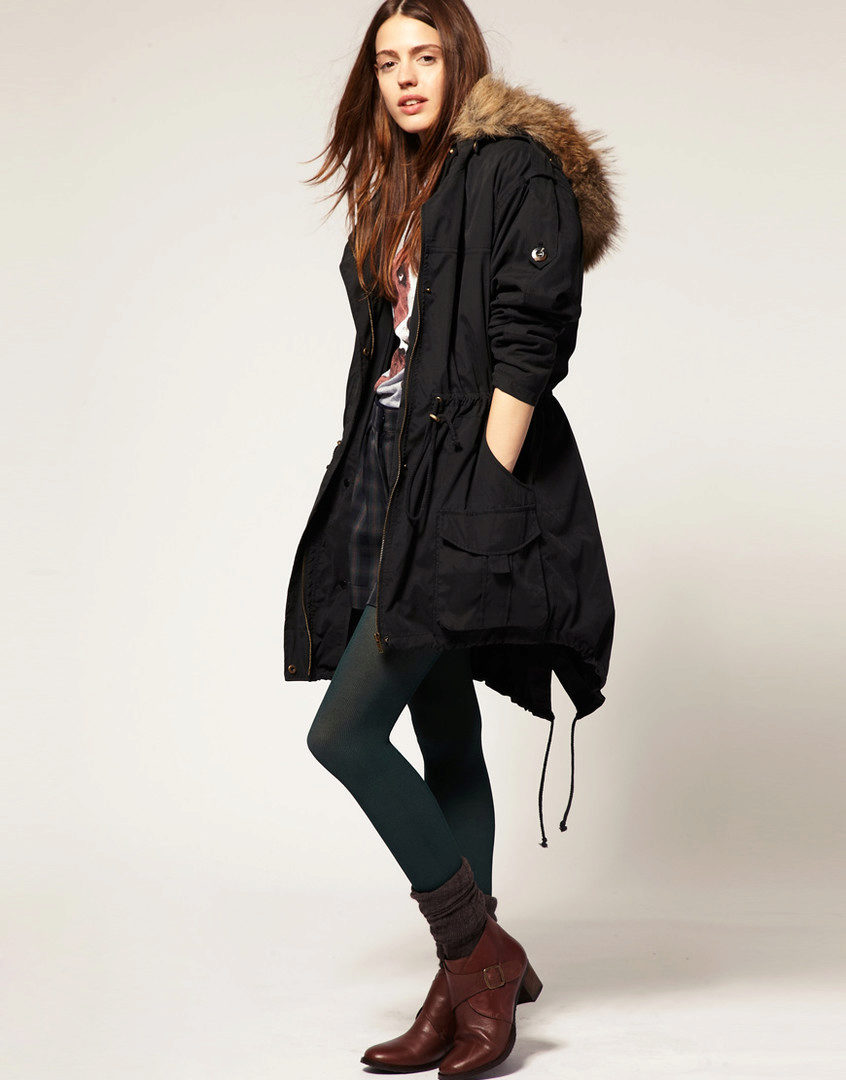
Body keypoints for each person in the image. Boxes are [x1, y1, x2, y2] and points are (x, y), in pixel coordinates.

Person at [283, 2, 621, 1075]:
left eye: (424, 56)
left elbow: (534, 335)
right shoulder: (399, 185)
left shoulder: (512, 166)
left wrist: (484, 480)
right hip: (388, 471)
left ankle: (479, 955)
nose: (405, 78)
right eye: (388, 61)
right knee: (445, 731)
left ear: (459, 60)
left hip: (461, 480)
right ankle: (466, 983)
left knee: (343, 735)